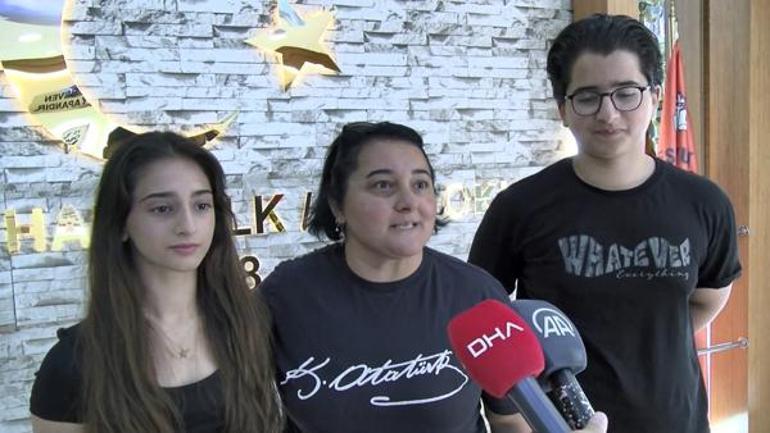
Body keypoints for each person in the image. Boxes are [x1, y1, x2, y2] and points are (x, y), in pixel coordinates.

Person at [469, 14, 741, 433]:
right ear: (563, 109)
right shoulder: (519, 208)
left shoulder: (704, 203)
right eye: (587, 97)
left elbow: (708, 297)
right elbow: (484, 326)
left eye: (626, 93)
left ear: (654, 97)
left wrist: (647, 342)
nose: (608, 113)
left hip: (679, 422)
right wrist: (512, 421)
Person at [259, 121, 608, 433]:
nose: (408, 201)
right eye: (383, 185)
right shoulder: (286, 295)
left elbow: (509, 422)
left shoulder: (477, 296)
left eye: (420, 184)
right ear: (337, 204)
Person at [29, 132, 283, 433]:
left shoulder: (250, 325)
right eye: (162, 208)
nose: (188, 226)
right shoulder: (72, 365)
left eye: (201, 206)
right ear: (121, 223)